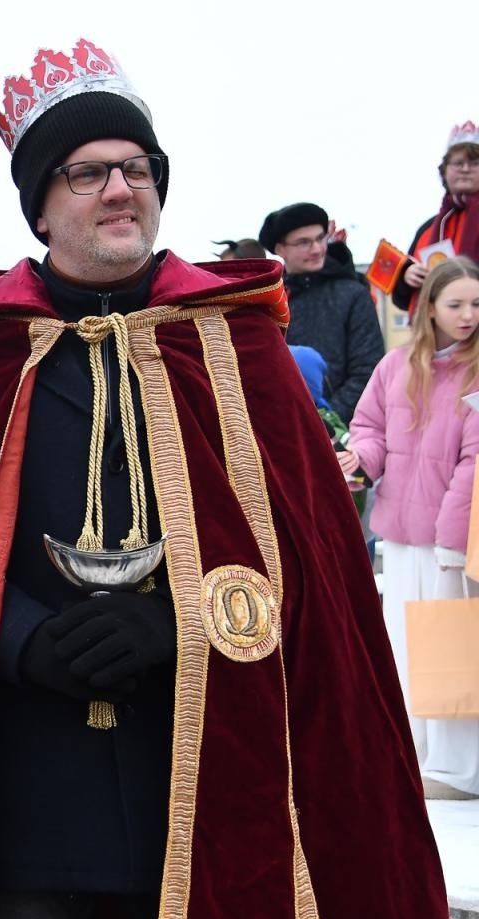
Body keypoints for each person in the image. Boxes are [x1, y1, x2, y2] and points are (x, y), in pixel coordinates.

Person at [0, 38, 474, 919]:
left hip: (204, 764)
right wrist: (24, 639)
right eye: (90, 172)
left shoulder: (234, 343)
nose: (120, 189)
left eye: (138, 170)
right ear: (41, 202)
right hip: (34, 776)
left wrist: (175, 622)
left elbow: (313, 569)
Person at [341, 255, 479, 799]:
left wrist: (451, 542)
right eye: (456, 304)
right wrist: (360, 460)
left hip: (451, 543)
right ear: (430, 308)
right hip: (398, 533)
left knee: (450, 650)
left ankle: (457, 769)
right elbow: (371, 427)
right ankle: (415, 755)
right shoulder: (395, 366)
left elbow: (475, 465)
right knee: (403, 648)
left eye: (476, 304)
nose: (468, 315)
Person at [259, 201, 383, 421]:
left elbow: (367, 371)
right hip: (283, 425)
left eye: (320, 238)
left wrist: (326, 421)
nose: (316, 249)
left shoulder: (353, 294)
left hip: (343, 436)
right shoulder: (270, 299)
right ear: (280, 249)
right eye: (304, 242)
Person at [394, 121, 479, 315]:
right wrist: (407, 278)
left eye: (474, 163)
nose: (465, 169)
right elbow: (402, 299)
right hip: (433, 339)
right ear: (444, 171)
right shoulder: (428, 229)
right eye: (458, 163)